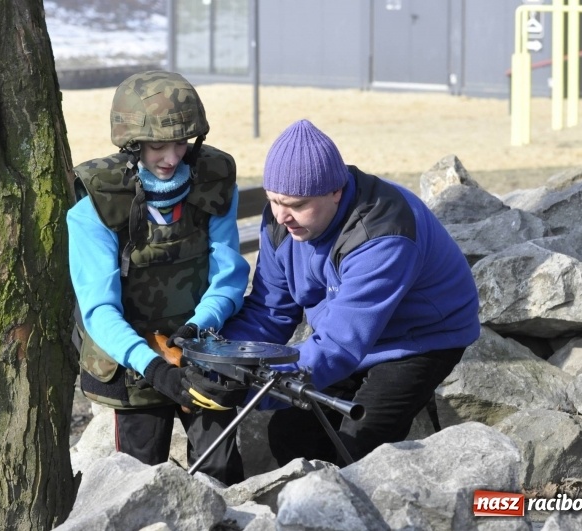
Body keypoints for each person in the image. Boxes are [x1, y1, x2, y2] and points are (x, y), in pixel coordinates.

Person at [220, 119, 481, 466]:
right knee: (289, 436)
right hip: (342, 331)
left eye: (296, 204)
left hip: (419, 339)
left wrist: (250, 388)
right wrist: (224, 365)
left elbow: (339, 346)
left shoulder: (383, 233)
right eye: (274, 200)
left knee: (356, 447)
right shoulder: (280, 221)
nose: (282, 216)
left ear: (336, 192)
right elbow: (269, 311)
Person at [67, 70, 249, 485]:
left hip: (199, 347)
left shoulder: (214, 182)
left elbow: (228, 275)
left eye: (182, 143)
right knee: (139, 478)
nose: (172, 158)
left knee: (221, 472)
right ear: (132, 144)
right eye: (157, 146)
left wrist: (197, 329)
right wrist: (155, 368)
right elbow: (98, 309)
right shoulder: (96, 202)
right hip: (131, 361)